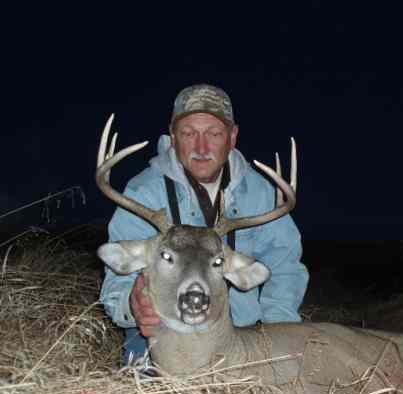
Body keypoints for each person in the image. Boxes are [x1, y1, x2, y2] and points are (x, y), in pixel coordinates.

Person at [99, 84, 309, 365]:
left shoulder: (262, 195)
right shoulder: (143, 193)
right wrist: (131, 304)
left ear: (232, 137)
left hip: (241, 335)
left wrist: (277, 333)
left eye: (214, 133)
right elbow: (118, 281)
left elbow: (284, 266)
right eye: (188, 133)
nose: (201, 147)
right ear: (173, 137)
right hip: (164, 330)